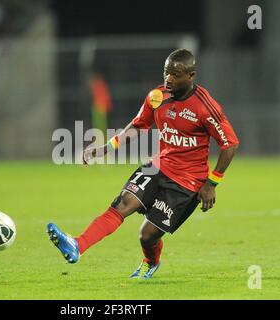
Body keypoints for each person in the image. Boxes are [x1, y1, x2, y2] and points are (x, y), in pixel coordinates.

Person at [47, 49, 239, 279]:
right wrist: (105, 148)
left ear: (191, 75)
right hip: (157, 167)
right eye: (166, 72)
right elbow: (139, 125)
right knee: (121, 204)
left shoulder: (205, 107)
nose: (168, 78)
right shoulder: (157, 96)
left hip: (187, 183)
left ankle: (151, 262)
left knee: (146, 236)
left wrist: (212, 183)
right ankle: (77, 245)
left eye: (175, 74)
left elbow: (230, 144)